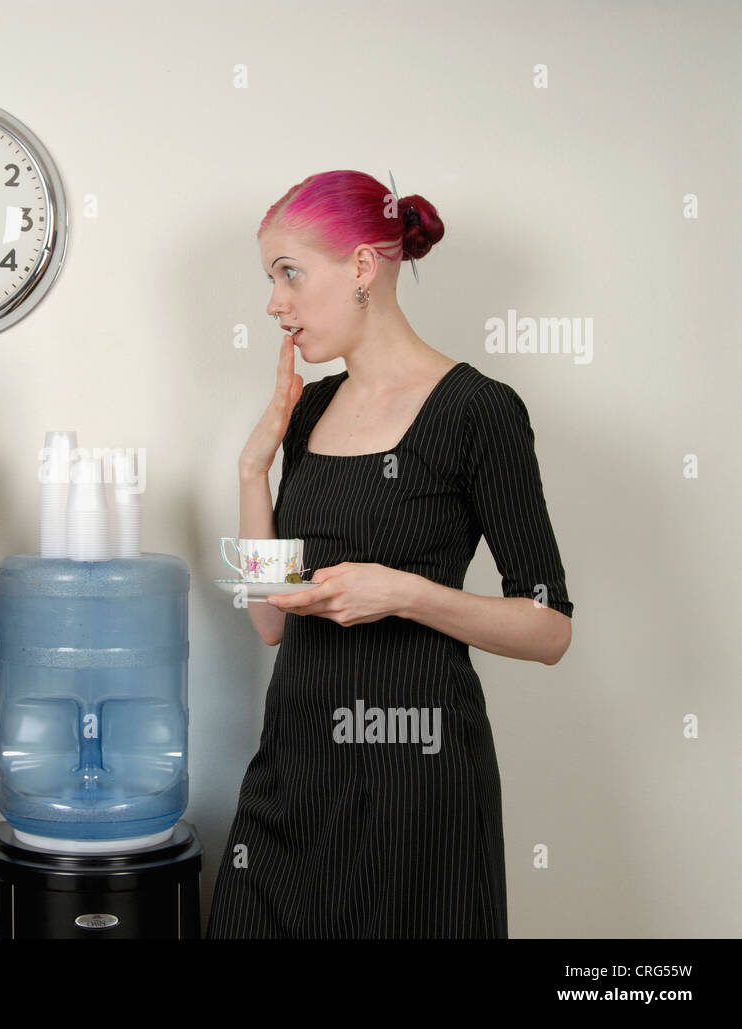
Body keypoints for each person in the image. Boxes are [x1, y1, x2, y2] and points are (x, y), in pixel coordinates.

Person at [207, 171, 574, 938]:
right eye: (271, 279)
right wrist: (252, 468)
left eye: (289, 274)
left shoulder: (478, 411)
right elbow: (271, 622)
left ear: (365, 268)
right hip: (294, 769)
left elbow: (548, 628)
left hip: (416, 780)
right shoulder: (307, 410)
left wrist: (404, 592)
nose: (274, 302)